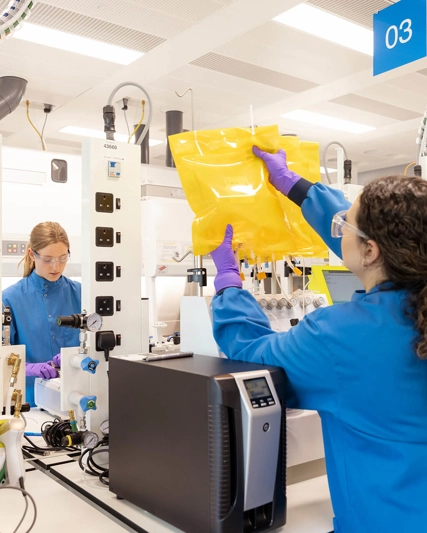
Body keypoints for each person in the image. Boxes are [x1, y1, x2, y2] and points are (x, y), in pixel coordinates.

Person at [210, 147, 427, 533]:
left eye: (347, 223)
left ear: (371, 251)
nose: (339, 225)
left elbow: (248, 355)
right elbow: (381, 238)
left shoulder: (339, 336)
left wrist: (229, 284)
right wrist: (297, 187)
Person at [2, 222, 81, 406]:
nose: (56, 266)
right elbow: (2, 356)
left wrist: (78, 356)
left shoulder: (81, 294)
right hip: (31, 403)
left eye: (63, 258)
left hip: (77, 397)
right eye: (48, 259)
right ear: (32, 254)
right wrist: (29, 368)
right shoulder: (9, 299)